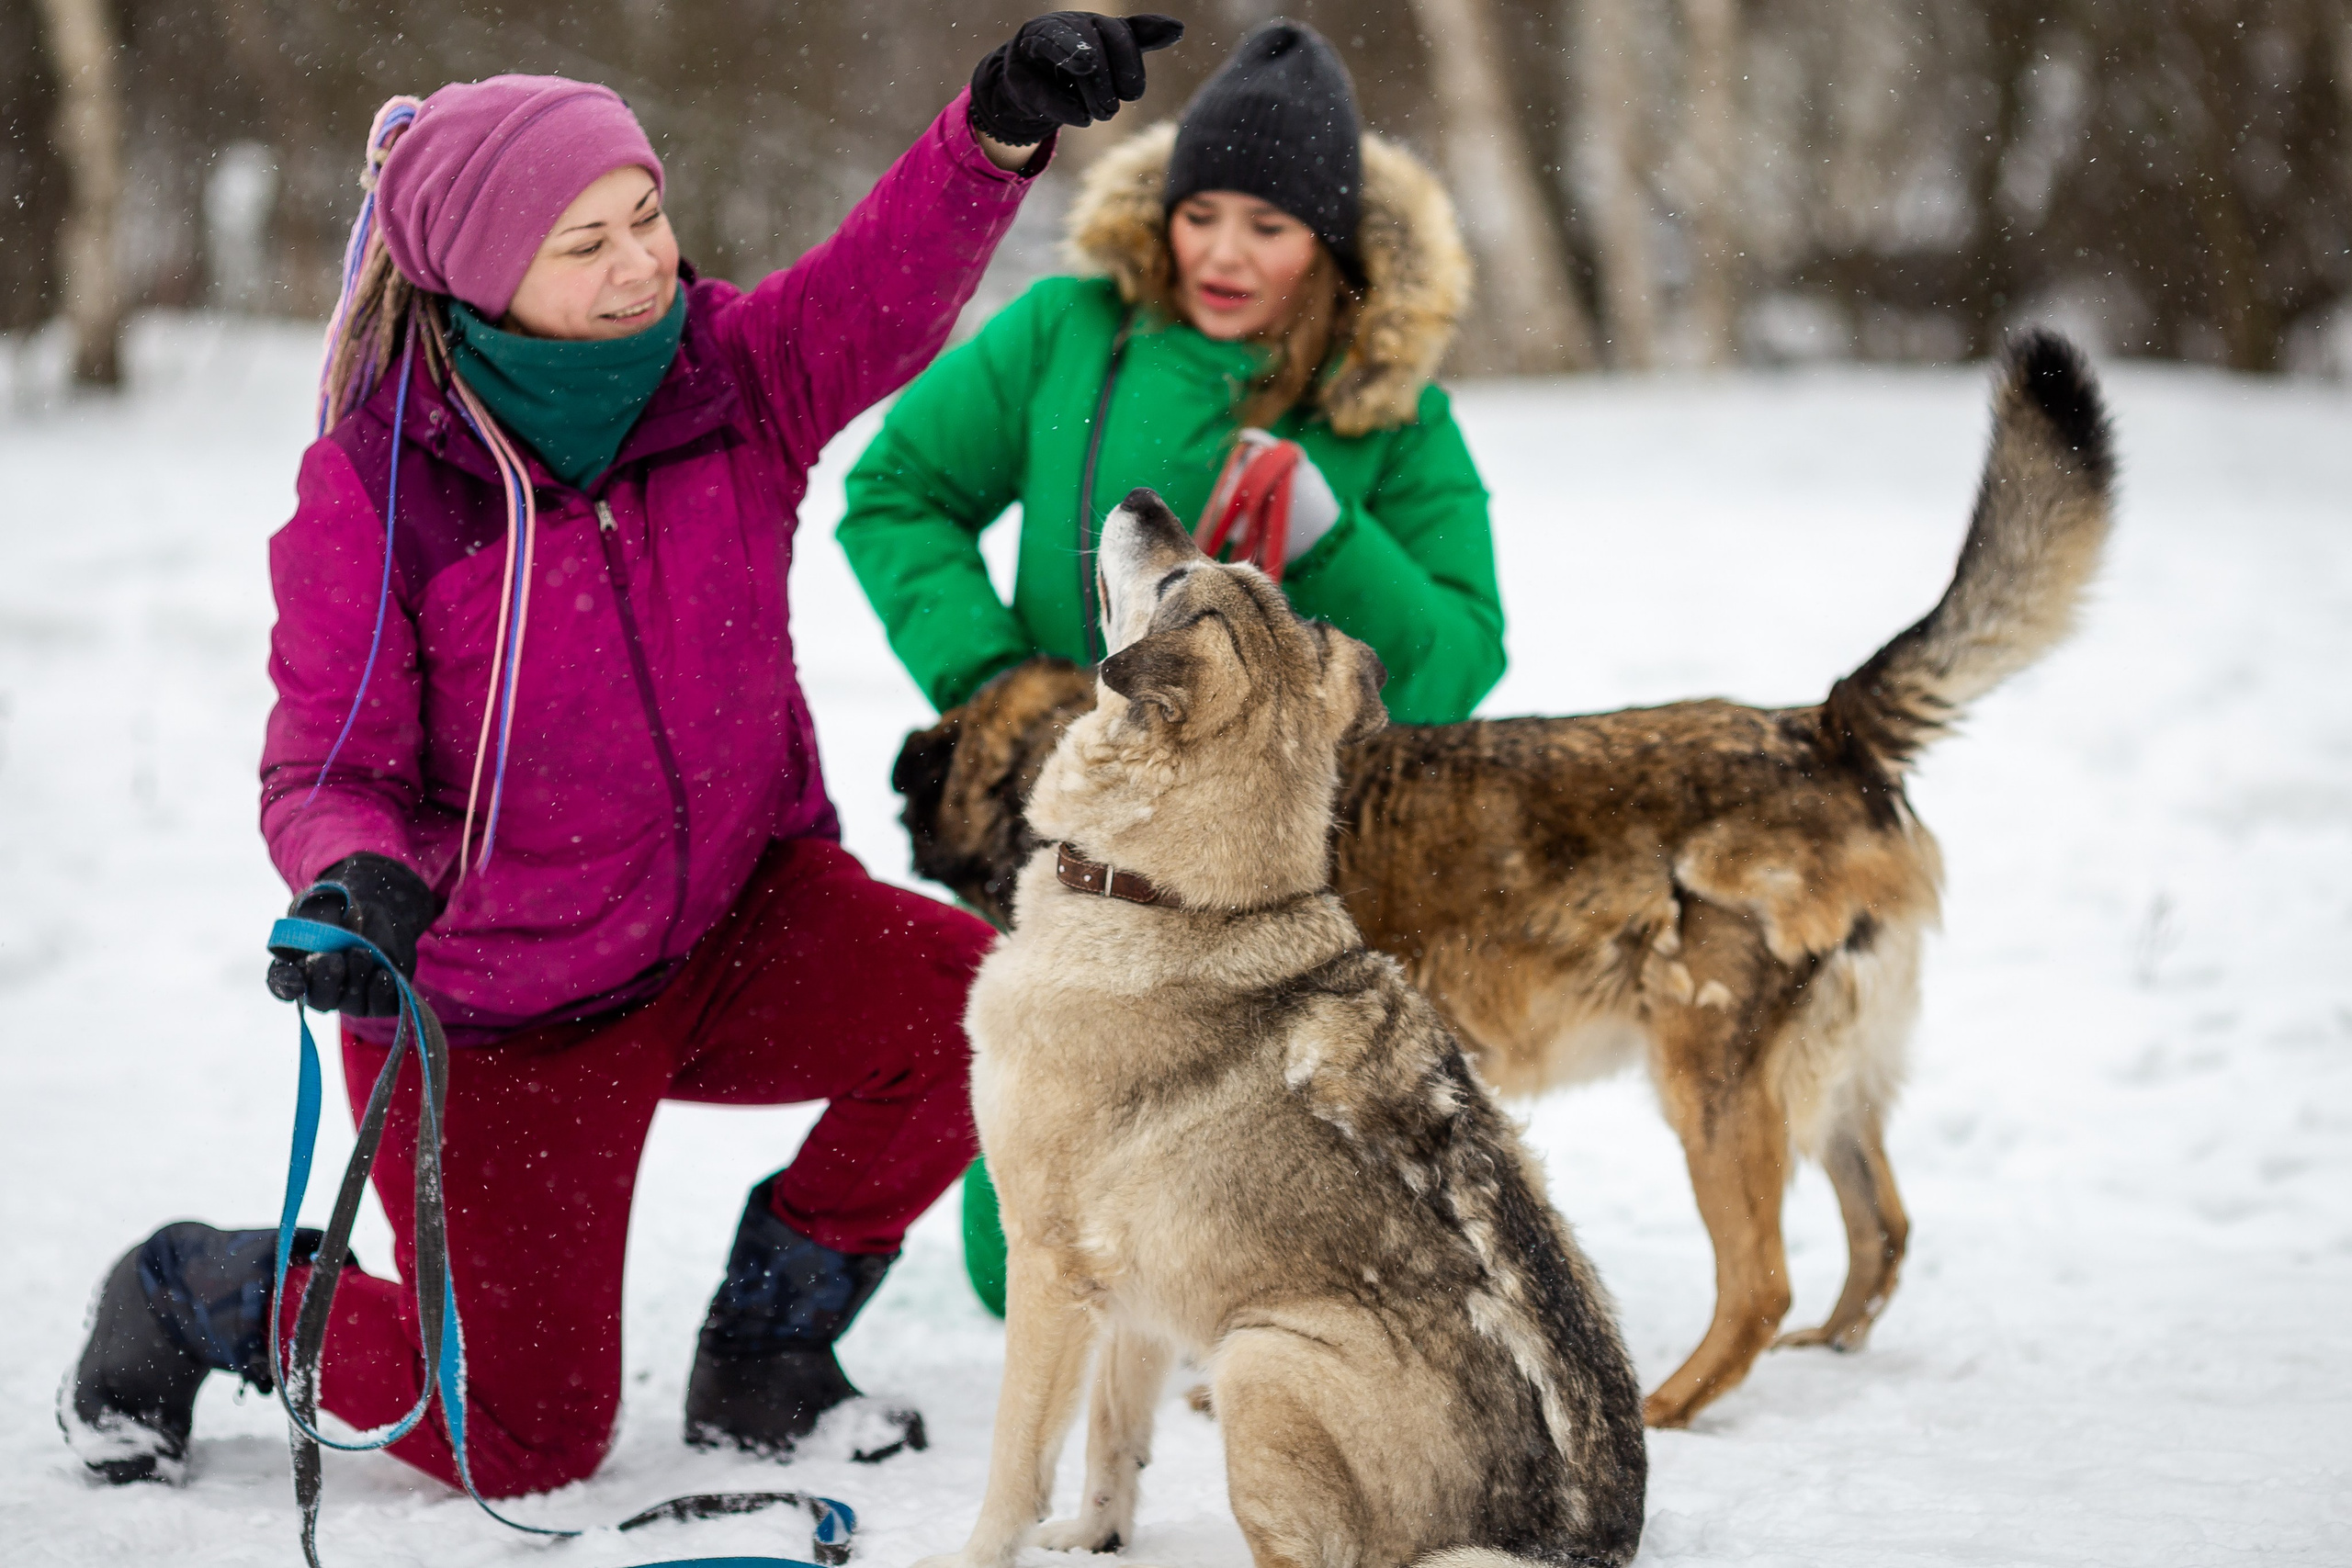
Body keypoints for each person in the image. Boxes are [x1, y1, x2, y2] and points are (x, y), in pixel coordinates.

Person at [62, 13, 1182, 1499]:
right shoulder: (386, 488)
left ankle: (772, 1350)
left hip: (735, 918)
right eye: (583, 243)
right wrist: (353, 881)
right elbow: (328, 764)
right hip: (501, 1015)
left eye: (645, 214)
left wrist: (990, 132)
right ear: (479, 278)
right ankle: (209, 1293)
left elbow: (878, 293)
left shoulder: (729, 382)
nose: (641, 262)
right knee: (521, 1441)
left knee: (990, 1018)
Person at [834, 20, 1504, 1316]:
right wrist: (993, 684)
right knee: (1022, 1265)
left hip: (1288, 873)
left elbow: (1459, 661)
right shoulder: (1066, 334)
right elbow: (894, 491)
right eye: (1204, 215)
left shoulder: (1387, 402)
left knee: (1236, 1251)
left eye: (1270, 225)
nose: (1225, 256)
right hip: (1082, 842)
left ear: (1335, 242)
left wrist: (1325, 524)